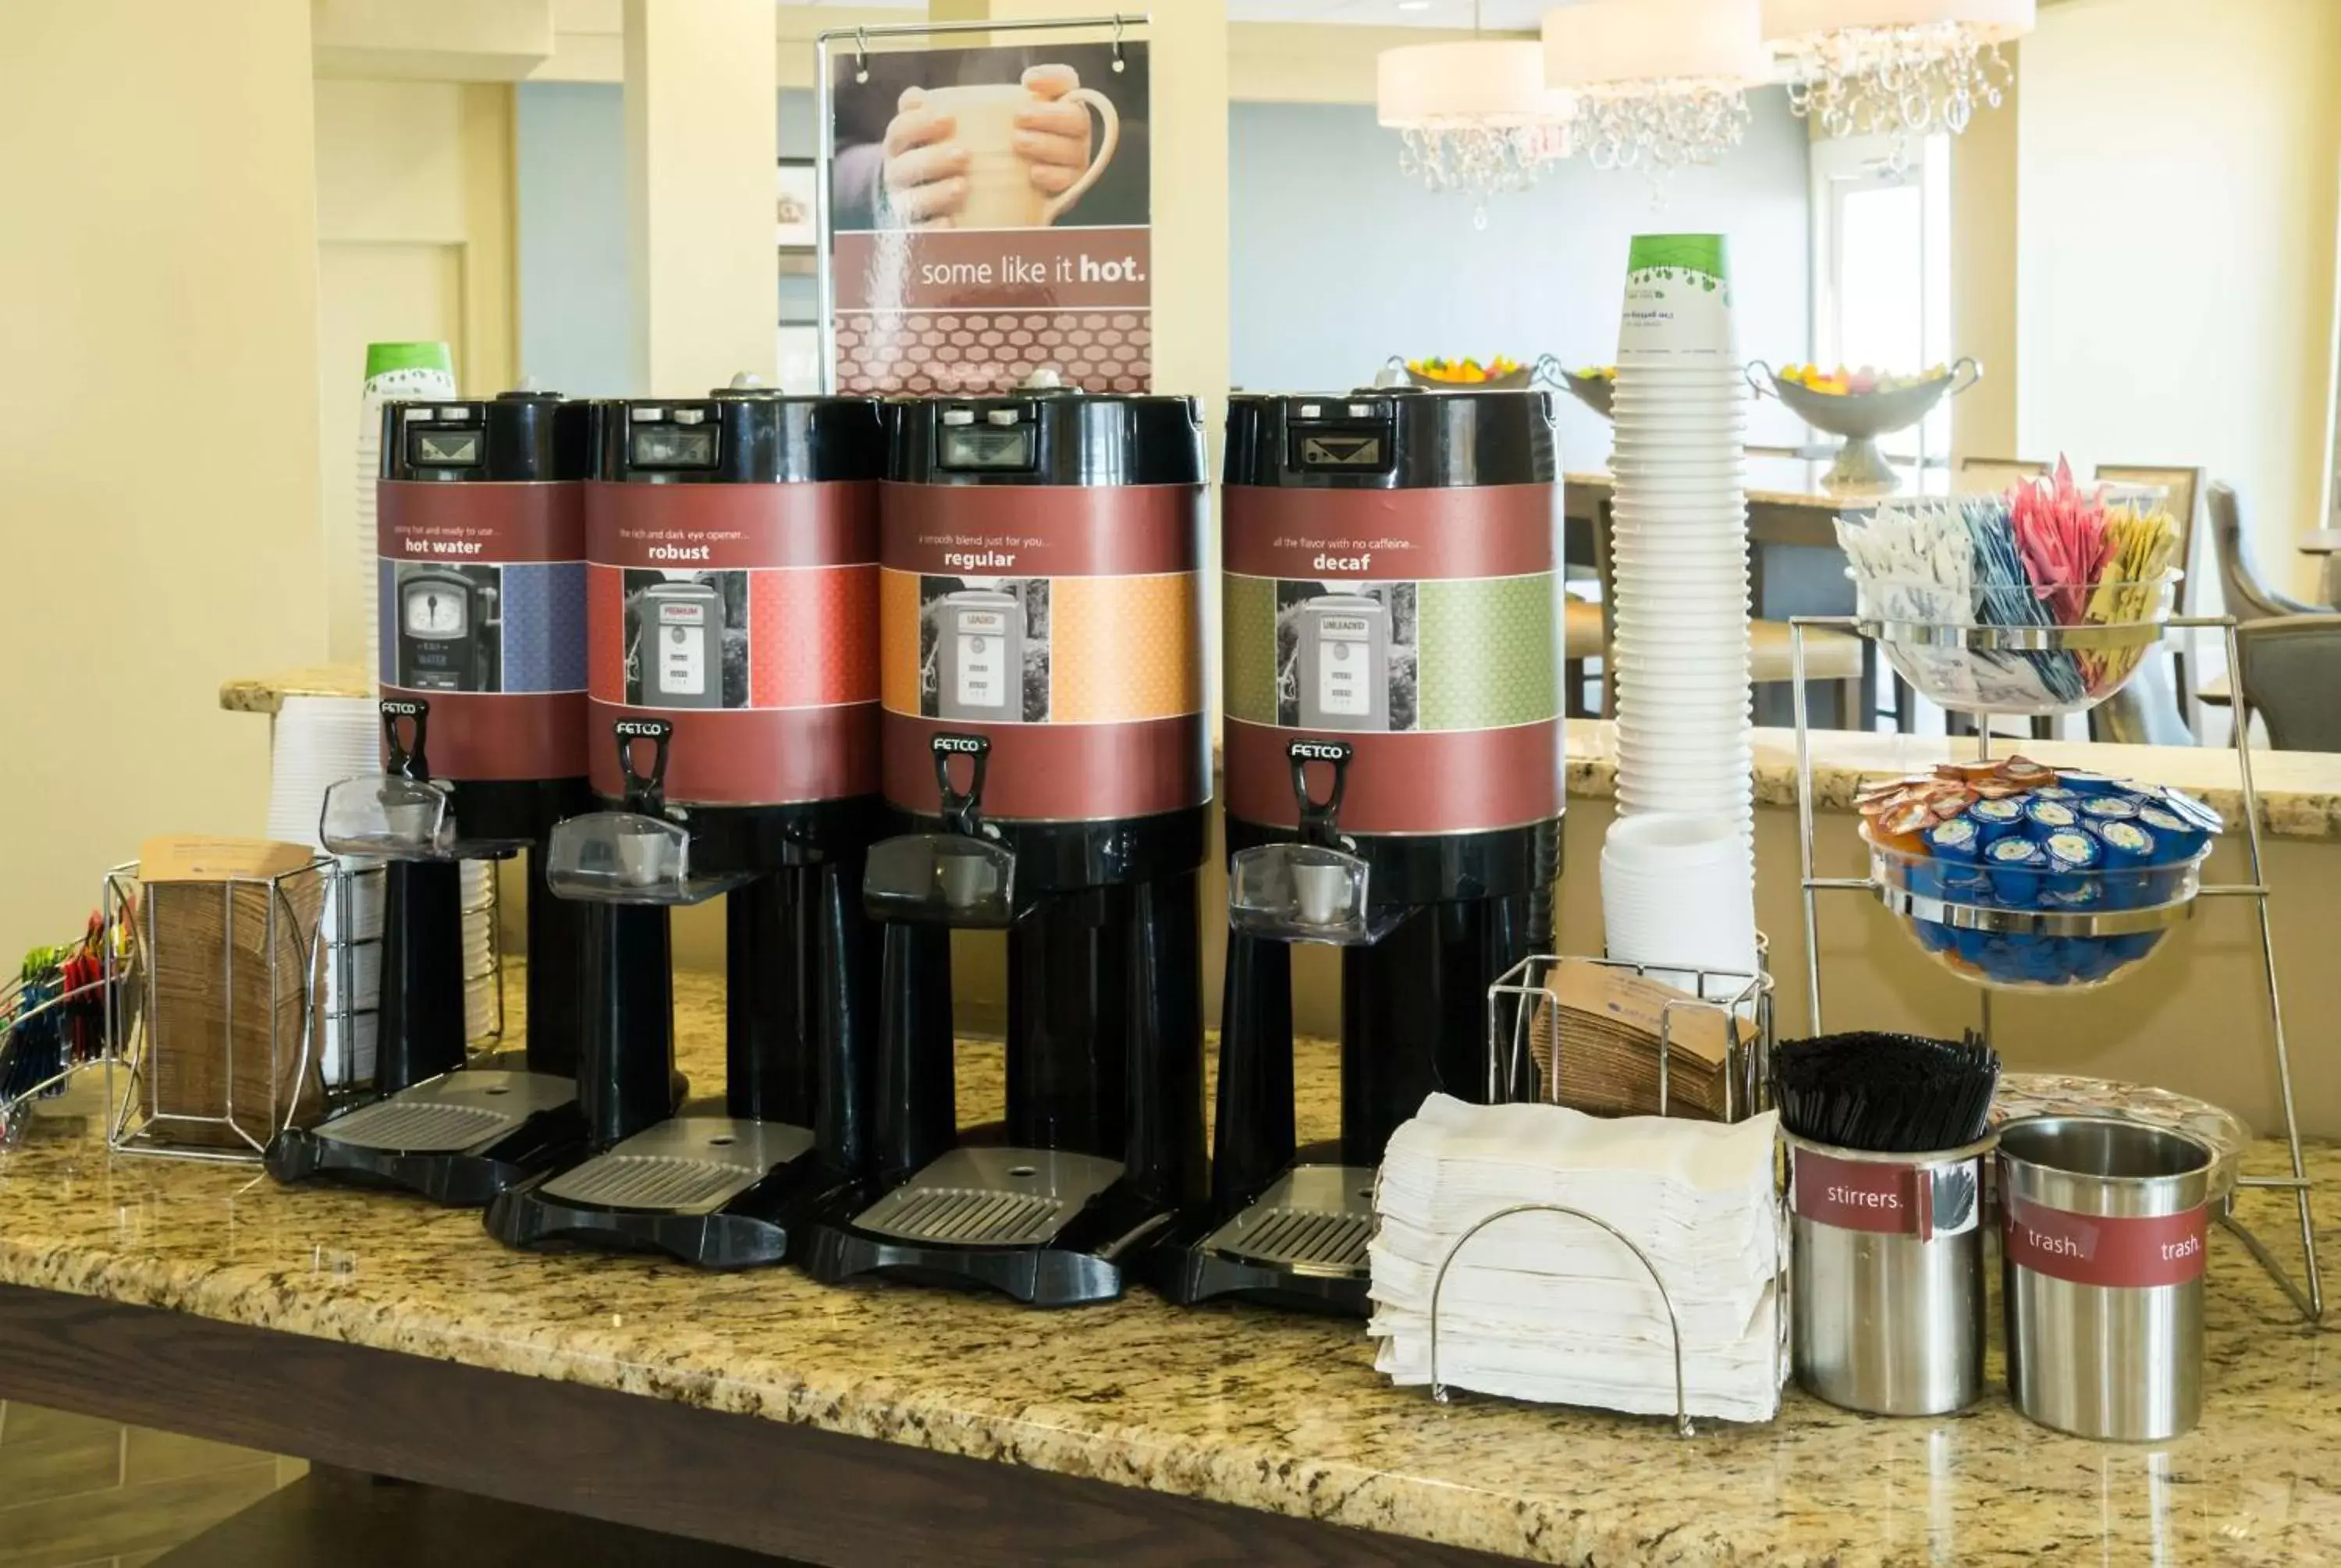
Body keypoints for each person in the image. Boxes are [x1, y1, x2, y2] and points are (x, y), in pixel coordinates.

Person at [831, 60, 1148, 231]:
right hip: (921, 293)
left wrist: (1101, 158)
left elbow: (1184, 138)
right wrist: (885, 180)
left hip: (1100, 281)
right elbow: (824, 164)